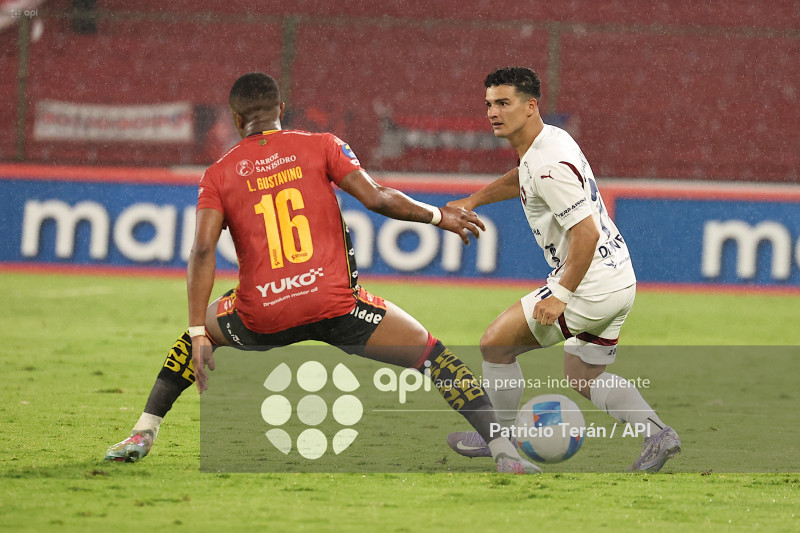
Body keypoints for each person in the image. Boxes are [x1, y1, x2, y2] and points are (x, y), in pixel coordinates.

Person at [105, 72, 539, 474]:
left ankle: (143, 431)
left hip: (261, 315)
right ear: (281, 107)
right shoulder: (321, 145)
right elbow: (378, 199)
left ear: (237, 119)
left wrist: (200, 330)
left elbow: (202, 249)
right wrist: (438, 216)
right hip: (338, 308)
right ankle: (503, 452)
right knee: (436, 358)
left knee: (192, 335)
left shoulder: (217, 174)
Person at [445, 67, 681, 472]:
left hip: (589, 283)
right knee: (584, 375)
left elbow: (585, 233)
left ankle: (495, 438)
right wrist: (474, 199)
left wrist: (561, 295)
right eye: (489, 104)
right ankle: (657, 433)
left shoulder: (547, 163)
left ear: (530, 106)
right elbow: (523, 177)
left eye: (504, 103)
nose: (493, 113)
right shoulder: (549, 140)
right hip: (618, 277)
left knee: (495, 345)